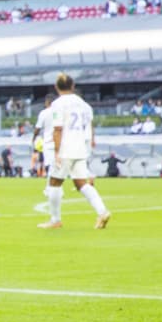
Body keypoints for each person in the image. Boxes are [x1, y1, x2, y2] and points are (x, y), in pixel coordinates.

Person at [41, 74, 112, 229]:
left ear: (56, 87)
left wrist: (57, 152)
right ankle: (102, 211)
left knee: (54, 183)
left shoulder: (57, 104)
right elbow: (89, 123)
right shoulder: (82, 103)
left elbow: (58, 129)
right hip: (80, 147)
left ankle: (55, 220)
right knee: (81, 183)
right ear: (73, 86)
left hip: (65, 148)